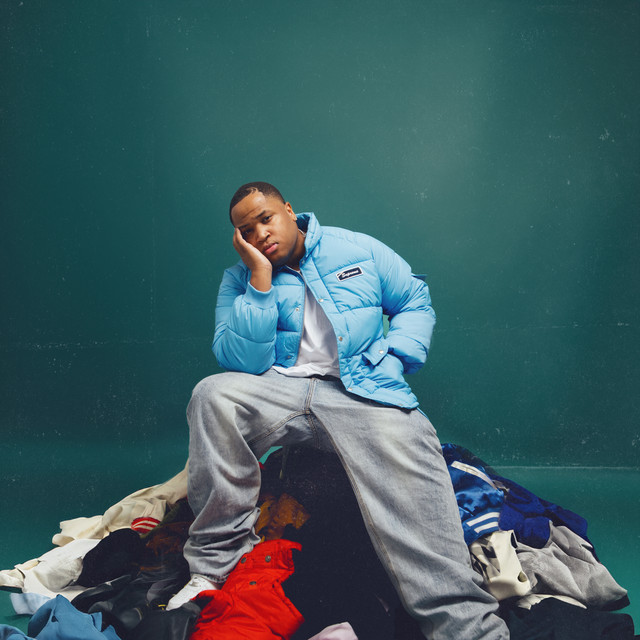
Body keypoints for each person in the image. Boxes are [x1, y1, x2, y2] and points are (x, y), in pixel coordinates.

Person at [167, 182, 510, 639]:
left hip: (359, 391)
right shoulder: (240, 279)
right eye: (246, 230)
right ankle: (213, 569)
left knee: (411, 448)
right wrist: (260, 279)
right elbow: (240, 362)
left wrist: (392, 358)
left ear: (289, 210)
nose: (260, 233)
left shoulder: (357, 249)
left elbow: (414, 299)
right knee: (213, 395)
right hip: (281, 388)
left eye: (266, 218)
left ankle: (463, 621)